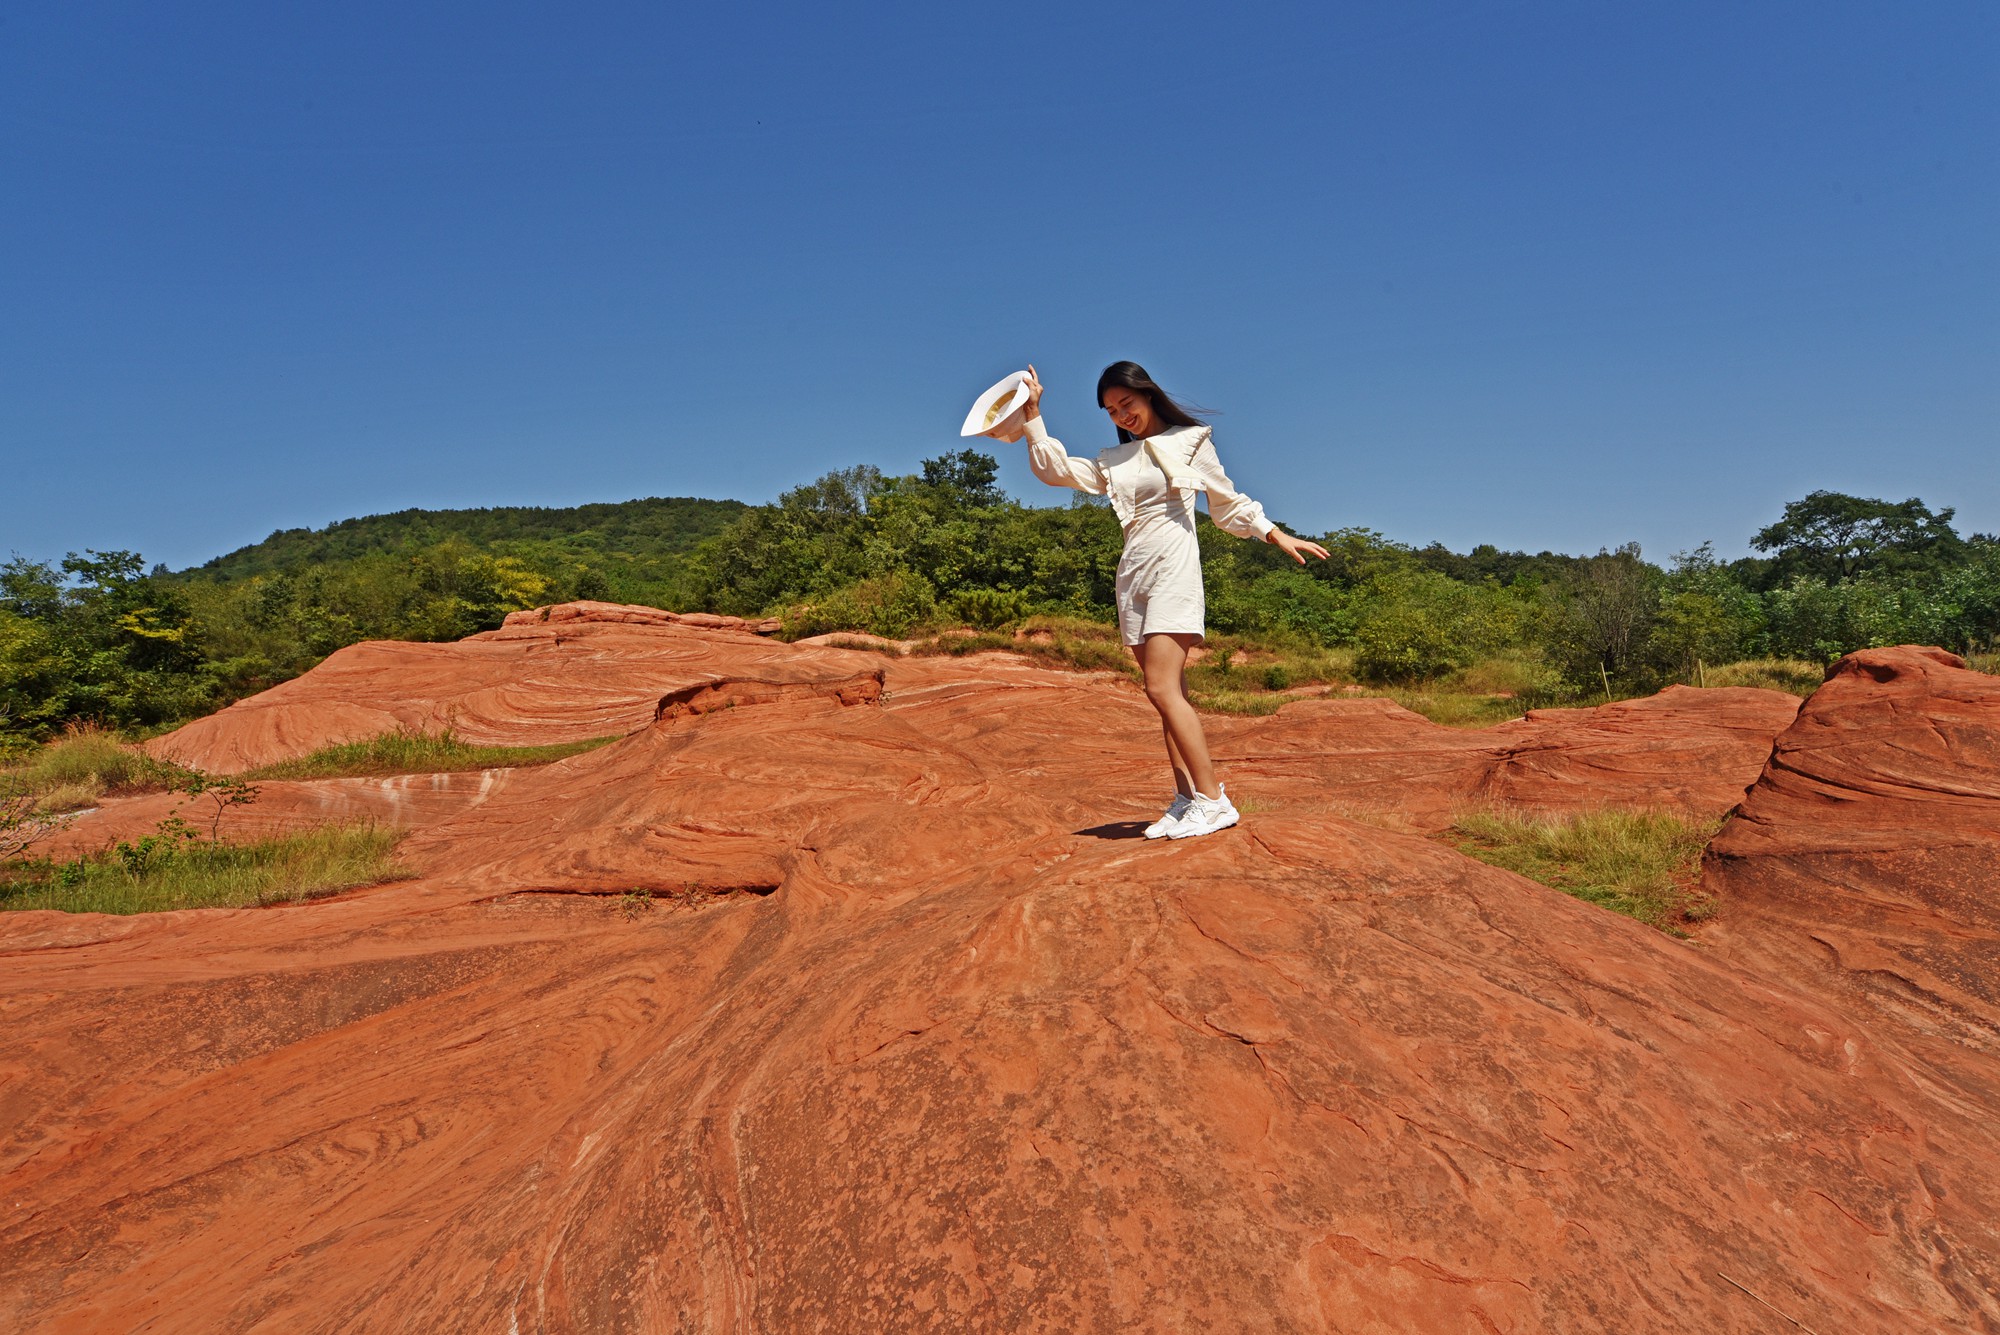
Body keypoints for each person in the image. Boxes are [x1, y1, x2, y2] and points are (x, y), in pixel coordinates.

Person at [1018, 361, 1330, 839]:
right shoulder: (1115, 460)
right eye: (1111, 410)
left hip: (1173, 569)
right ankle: (1186, 800)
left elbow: (1228, 502)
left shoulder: (1190, 441)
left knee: (1161, 689)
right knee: (1170, 696)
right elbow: (1056, 471)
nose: (1121, 415)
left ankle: (1214, 800)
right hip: (1134, 574)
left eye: (1127, 404)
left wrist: (1275, 533)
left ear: (1148, 395)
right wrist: (1034, 414)